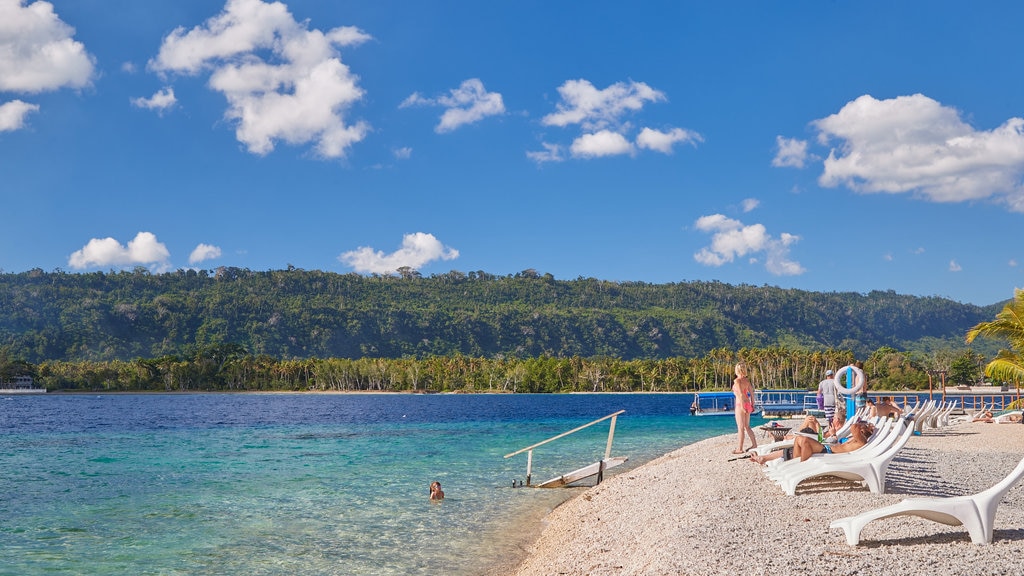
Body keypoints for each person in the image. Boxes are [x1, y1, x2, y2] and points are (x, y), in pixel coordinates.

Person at [732, 362, 758, 454]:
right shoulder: (747, 381)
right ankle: (754, 444)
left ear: (737, 370)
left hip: (740, 405)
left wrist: (743, 407)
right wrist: (752, 405)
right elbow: (751, 394)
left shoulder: (737, 381)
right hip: (748, 404)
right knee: (747, 426)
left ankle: (739, 448)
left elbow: (740, 394)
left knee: (740, 427)